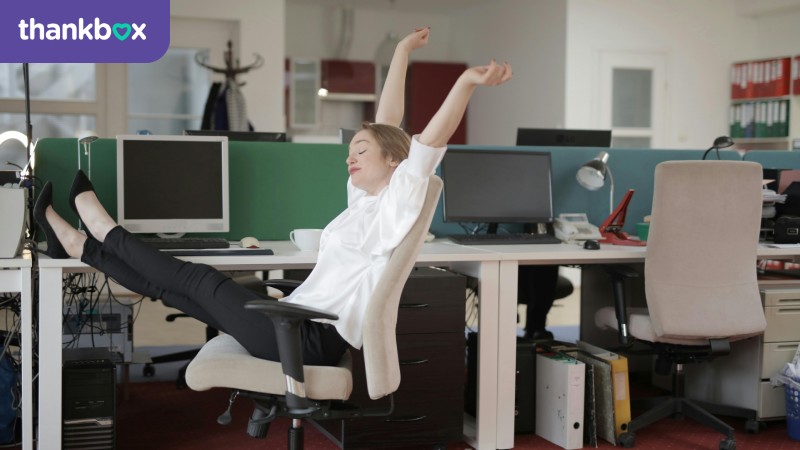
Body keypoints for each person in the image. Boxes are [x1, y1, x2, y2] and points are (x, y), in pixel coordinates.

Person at [34, 27, 513, 367]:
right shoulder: (364, 200)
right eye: (350, 150)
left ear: (393, 162)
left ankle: (104, 229)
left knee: (199, 280)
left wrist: (465, 83)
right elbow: (386, 121)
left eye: (360, 150)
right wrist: (403, 51)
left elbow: (426, 143)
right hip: (297, 321)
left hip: (310, 338)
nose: (350, 156)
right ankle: (84, 246)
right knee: (170, 288)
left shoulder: (400, 200)